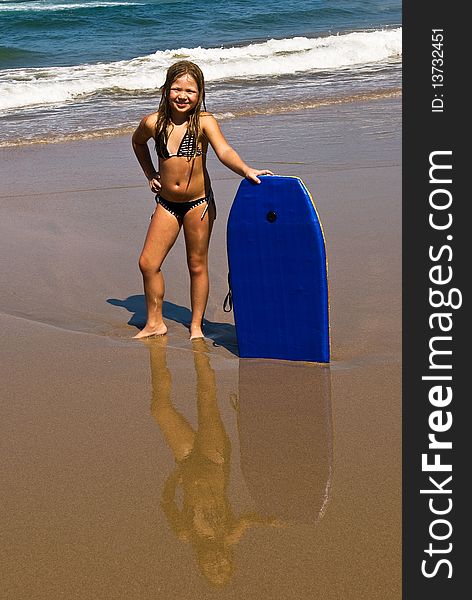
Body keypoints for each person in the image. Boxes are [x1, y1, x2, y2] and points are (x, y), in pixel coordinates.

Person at [132, 60, 273, 340]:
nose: (182, 96)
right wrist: (150, 173)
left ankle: (196, 326)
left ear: (200, 94)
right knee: (148, 263)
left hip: (199, 205)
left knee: (196, 265)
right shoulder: (153, 123)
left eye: (190, 91)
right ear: (165, 90)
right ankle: (154, 323)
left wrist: (246, 170)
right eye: (176, 89)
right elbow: (137, 142)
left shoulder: (204, 123)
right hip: (167, 204)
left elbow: (223, 151)